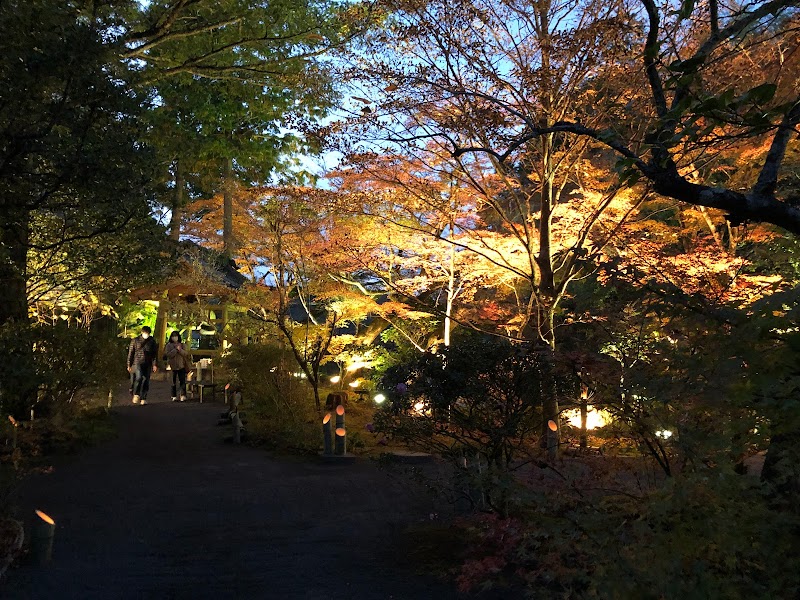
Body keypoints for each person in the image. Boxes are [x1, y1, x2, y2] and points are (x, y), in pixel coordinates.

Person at [127, 326, 158, 405]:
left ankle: (143, 397)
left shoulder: (152, 341)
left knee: (146, 380)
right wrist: (129, 364)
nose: (146, 334)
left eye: (147, 333)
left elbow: (154, 354)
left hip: (148, 363)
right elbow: (131, 353)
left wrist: (154, 364)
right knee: (139, 377)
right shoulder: (135, 340)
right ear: (142, 332)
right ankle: (136, 394)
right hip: (137, 362)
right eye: (145, 333)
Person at [163, 330, 191, 402]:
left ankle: (183, 395)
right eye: (173, 336)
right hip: (172, 366)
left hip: (181, 365)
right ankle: (174, 395)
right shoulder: (168, 345)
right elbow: (168, 354)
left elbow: (185, 353)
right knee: (173, 382)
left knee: (182, 381)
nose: (175, 338)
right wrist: (175, 350)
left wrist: (180, 350)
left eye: (176, 336)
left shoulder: (182, 345)